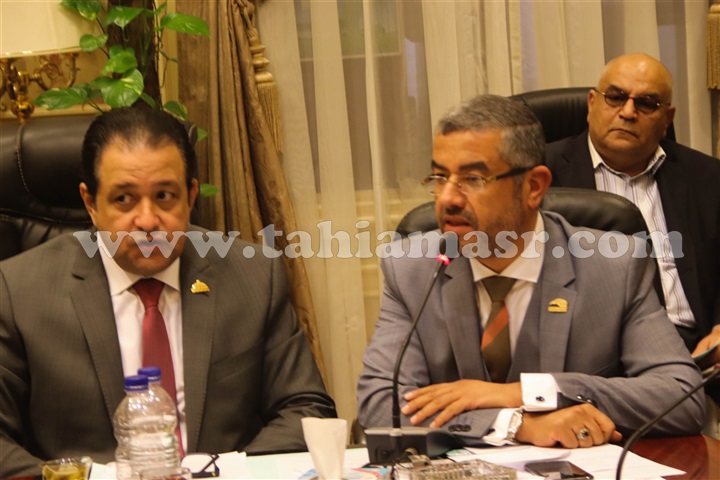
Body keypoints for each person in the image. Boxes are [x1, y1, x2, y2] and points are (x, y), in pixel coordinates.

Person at [0, 108, 336, 478]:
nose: (147, 221)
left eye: (164, 196)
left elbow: (305, 409)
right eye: (123, 199)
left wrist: (222, 473)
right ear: (91, 203)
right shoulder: (19, 291)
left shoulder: (252, 276)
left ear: (190, 196)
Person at [357, 95, 705, 450]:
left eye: (472, 178)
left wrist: (528, 392)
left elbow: (681, 396)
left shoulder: (615, 267)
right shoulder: (411, 267)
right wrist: (515, 423)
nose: (448, 198)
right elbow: (381, 404)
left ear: (534, 186)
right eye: (440, 177)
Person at [544, 53, 720, 371]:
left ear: (667, 118)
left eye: (647, 103)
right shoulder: (539, 175)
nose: (627, 112)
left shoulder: (708, 177)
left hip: (695, 353)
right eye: (615, 97)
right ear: (591, 104)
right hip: (591, 361)